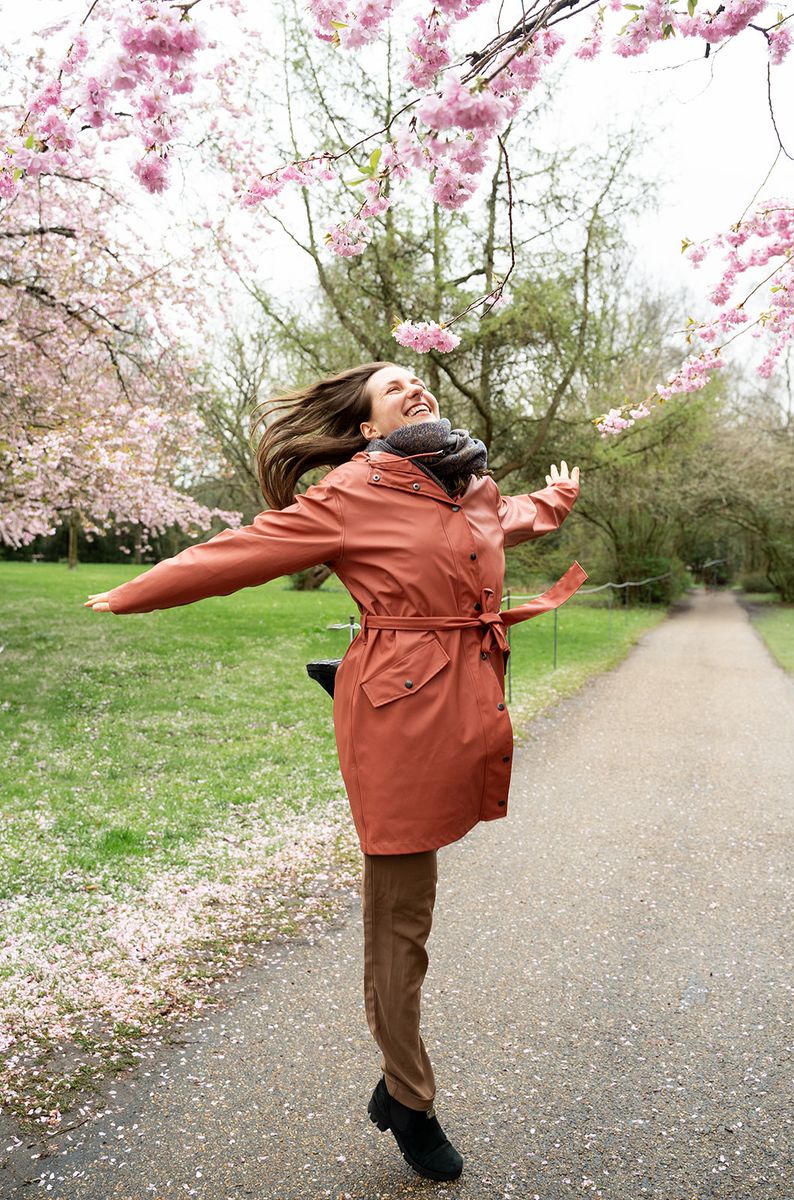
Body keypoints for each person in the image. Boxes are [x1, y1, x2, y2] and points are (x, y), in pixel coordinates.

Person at [84, 361, 585, 1183]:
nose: (416, 388)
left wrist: (559, 500)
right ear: (366, 427)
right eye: (395, 388)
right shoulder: (352, 492)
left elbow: (515, 518)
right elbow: (244, 550)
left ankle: (402, 1085)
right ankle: (410, 1098)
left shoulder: (469, 485)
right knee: (403, 917)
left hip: (462, 703)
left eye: (420, 380)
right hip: (402, 716)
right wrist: (140, 590)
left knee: (421, 898)